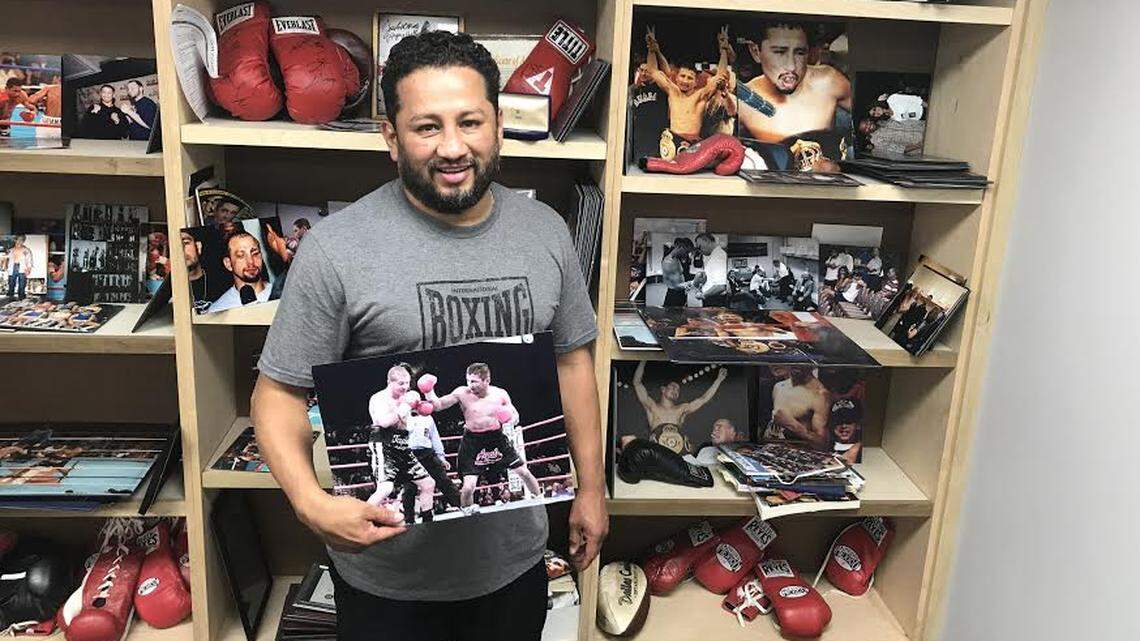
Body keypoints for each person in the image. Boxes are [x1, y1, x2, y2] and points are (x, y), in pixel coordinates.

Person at [250, 30, 605, 641]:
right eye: (426, 127)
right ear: (391, 136)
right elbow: (276, 394)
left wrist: (592, 490)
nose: (452, 147)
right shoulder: (336, 249)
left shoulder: (547, 232)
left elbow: (573, 363)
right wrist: (310, 503)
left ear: (497, 124)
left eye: (470, 122)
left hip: (515, 565)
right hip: (386, 580)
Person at [425, 362, 542, 511]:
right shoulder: (462, 393)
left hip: (496, 438)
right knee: (468, 487)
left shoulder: (500, 394)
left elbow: (515, 415)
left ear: (487, 380)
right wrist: (429, 391)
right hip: (472, 441)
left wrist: (509, 419)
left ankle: (540, 501)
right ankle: (467, 513)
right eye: (468, 380)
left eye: (474, 381)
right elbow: (439, 405)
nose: (470, 385)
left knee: (524, 472)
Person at [736, 22, 852, 171]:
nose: (791, 66)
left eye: (800, 52)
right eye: (779, 52)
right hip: (772, 183)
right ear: (755, 51)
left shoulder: (829, 82)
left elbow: (868, 116)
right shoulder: (743, 100)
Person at [643, 26, 731, 159]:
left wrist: (724, 49)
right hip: (671, 143)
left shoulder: (700, 96)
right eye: (683, 76)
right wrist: (651, 48)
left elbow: (720, 76)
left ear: (696, 82)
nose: (685, 80)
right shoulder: (672, 92)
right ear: (676, 78)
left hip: (693, 145)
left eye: (690, 78)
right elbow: (653, 71)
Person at [367, 365, 438, 525]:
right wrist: (406, 406)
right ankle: (361, 519)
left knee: (428, 484)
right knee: (385, 488)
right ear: (389, 382)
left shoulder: (407, 396)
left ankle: (428, 523)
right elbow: (384, 422)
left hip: (403, 444)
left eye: (407, 383)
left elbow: (422, 412)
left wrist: (421, 407)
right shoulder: (378, 398)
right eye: (401, 383)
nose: (405, 387)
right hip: (383, 444)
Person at [632, 361, 728, 453]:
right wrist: (643, 358)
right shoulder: (652, 406)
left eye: (678, 390)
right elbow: (637, 383)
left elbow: (703, 399)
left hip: (677, 452)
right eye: (673, 387)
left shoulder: (682, 408)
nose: (675, 391)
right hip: (657, 451)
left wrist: (718, 380)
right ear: (663, 389)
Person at [763, 366, 830, 450]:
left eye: (801, 362)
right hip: (768, 448)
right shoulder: (779, 386)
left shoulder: (820, 395)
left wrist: (793, 425)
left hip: (795, 452)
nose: (796, 364)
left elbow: (822, 443)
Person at [207, 229, 271, 312]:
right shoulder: (218, 309)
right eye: (241, 256)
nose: (251, 261)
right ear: (228, 264)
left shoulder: (280, 292)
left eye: (255, 254)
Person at [692, 232, 728, 307]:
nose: (699, 251)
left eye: (700, 247)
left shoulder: (718, 256)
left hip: (715, 300)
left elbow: (720, 286)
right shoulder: (713, 256)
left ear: (707, 241)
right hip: (711, 297)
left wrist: (702, 295)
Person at [660, 237, 695, 306]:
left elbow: (684, 274)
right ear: (680, 247)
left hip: (682, 293)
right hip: (674, 296)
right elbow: (677, 284)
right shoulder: (669, 261)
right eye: (686, 252)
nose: (687, 254)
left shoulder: (679, 258)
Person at [829, 398, 863, 465]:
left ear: (858, 425)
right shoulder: (824, 448)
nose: (844, 426)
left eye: (848, 421)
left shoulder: (863, 452)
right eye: (839, 421)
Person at [5, 235, 33, 300]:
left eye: (22, 240)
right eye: (18, 239)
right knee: (11, 283)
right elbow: (6, 258)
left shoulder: (26, 250)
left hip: (22, 267)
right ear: (15, 240)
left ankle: (21, 297)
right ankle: (10, 297)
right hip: (12, 267)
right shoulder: (10, 250)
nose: (20, 241)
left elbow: (29, 260)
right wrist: (6, 266)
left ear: (23, 241)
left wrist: (29, 269)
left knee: (22, 284)